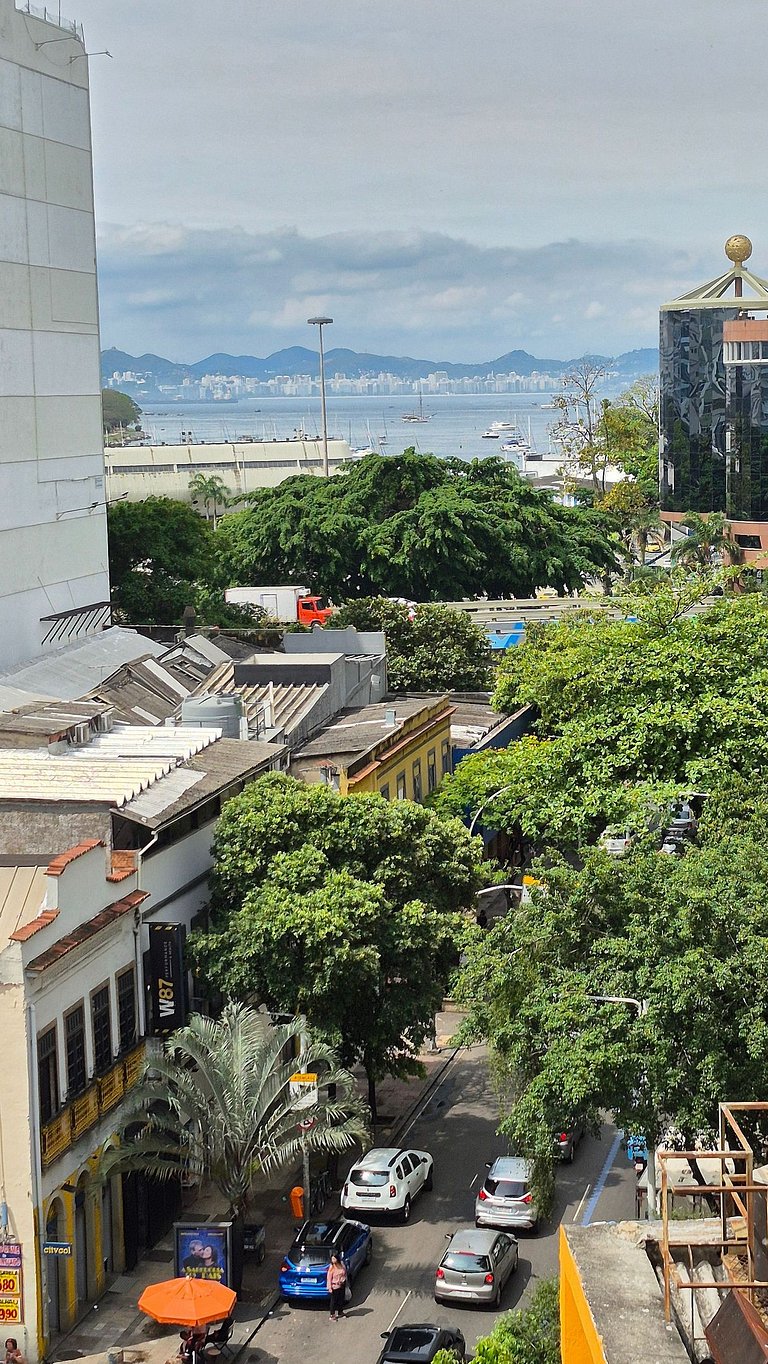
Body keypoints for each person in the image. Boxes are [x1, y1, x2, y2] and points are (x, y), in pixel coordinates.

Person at [326, 1252, 348, 1321]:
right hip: (334, 1286)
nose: (333, 1260)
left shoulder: (341, 1265)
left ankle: (340, 1312)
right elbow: (329, 1278)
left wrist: (343, 1280)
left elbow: (344, 1273)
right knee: (333, 1301)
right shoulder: (331, 1267)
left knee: (341, 1299)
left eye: (334, 1258)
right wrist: (329, 1288)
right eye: (332, 1259)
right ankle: (332, 1315)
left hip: (341, 1285)